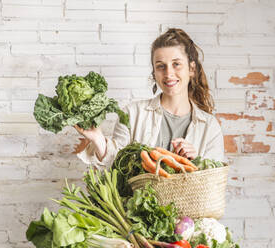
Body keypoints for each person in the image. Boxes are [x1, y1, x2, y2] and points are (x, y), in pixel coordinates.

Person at [74, 28, 224, 167]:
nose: (168, 73)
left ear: (192, 69)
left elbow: (214, 181)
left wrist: (197, 161)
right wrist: (98, 139)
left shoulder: (210, 127)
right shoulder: (131, 114)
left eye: (176, 64)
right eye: (160, 66)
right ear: (154, 72)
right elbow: (116, 167)